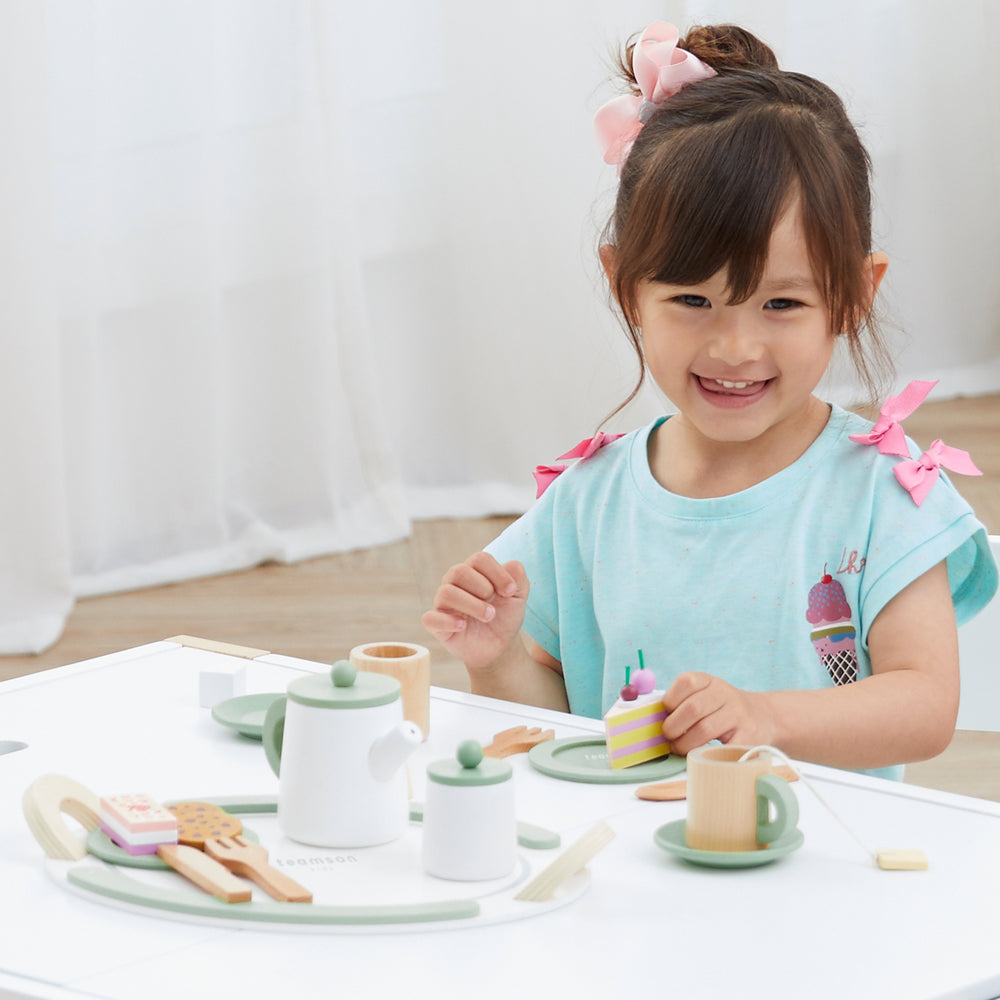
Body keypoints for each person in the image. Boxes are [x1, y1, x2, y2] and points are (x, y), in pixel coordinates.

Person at [422, 22, 998, 778]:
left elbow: (923, 709)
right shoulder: (588, 502)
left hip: (818, 873)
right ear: (624, 282)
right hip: (631, 867)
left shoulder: (883, 495)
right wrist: (495, 662)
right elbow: (566, 724)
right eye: (694, 300)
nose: (735, 349)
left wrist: (766, 716)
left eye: (781, 305)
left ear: (855, 294)